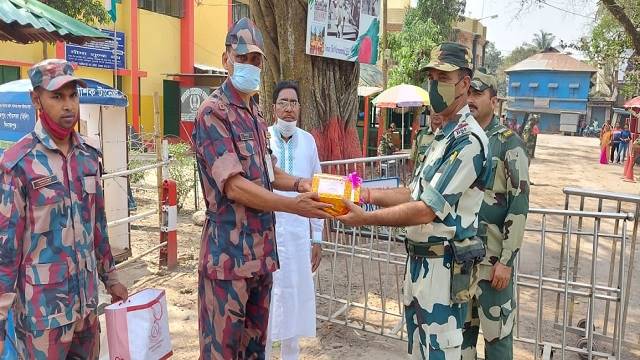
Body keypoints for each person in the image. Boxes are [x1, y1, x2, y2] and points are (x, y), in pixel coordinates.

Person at [337, 42, 490, 359]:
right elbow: (412, 192)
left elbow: (425, 210)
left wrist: (364, 218)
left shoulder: (469, 140)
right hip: (420, 265)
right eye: (431, 77)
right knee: (417, 352)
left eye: (443, 77)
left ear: (464, 83)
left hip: (444, 270)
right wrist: (364, 194)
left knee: (440, 352)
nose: (434, 85)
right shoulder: (443, 137)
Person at [191, 18, 331, 359]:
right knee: (222, 352)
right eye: (243, 58)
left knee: (254, 351)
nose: (250, 66)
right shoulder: (213, 113)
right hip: (228, 261)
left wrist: (306, 184)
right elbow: (236, 186)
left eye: (256, 60)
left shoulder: (254, 115)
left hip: (260, 258)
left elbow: (269, 172)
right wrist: (293, 205)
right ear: (226, 59)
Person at [0, 59, 128, 359]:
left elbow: (98, 225)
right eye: (57, 97)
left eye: (73, 95)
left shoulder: (88, 157)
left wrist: (111, 279)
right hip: (41, 319)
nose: (68, 105)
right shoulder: (18, 164)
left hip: (86, 310)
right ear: (36, 100)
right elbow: (6, 249)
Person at [463, 70, 530, 359]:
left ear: (494, 100)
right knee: (461, 341)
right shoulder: (461, 138)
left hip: (493, 267)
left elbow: (519, 204)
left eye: (477, 94)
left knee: (497, 341)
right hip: (462, 261)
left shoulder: (508, 143)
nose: (470, 100)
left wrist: (506, 261)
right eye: (467, 94)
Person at [265, 81, 324, 359]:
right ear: (273, 107)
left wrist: (317, 238)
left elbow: (317, 189)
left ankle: (291, 355)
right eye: (283, 102)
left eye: (294, 103)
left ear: (300, 108)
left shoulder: (309, 141)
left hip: (300, 234)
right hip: (269, 233)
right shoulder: (263, 138)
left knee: (295, 297)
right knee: (267, 299)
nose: (289, 109)